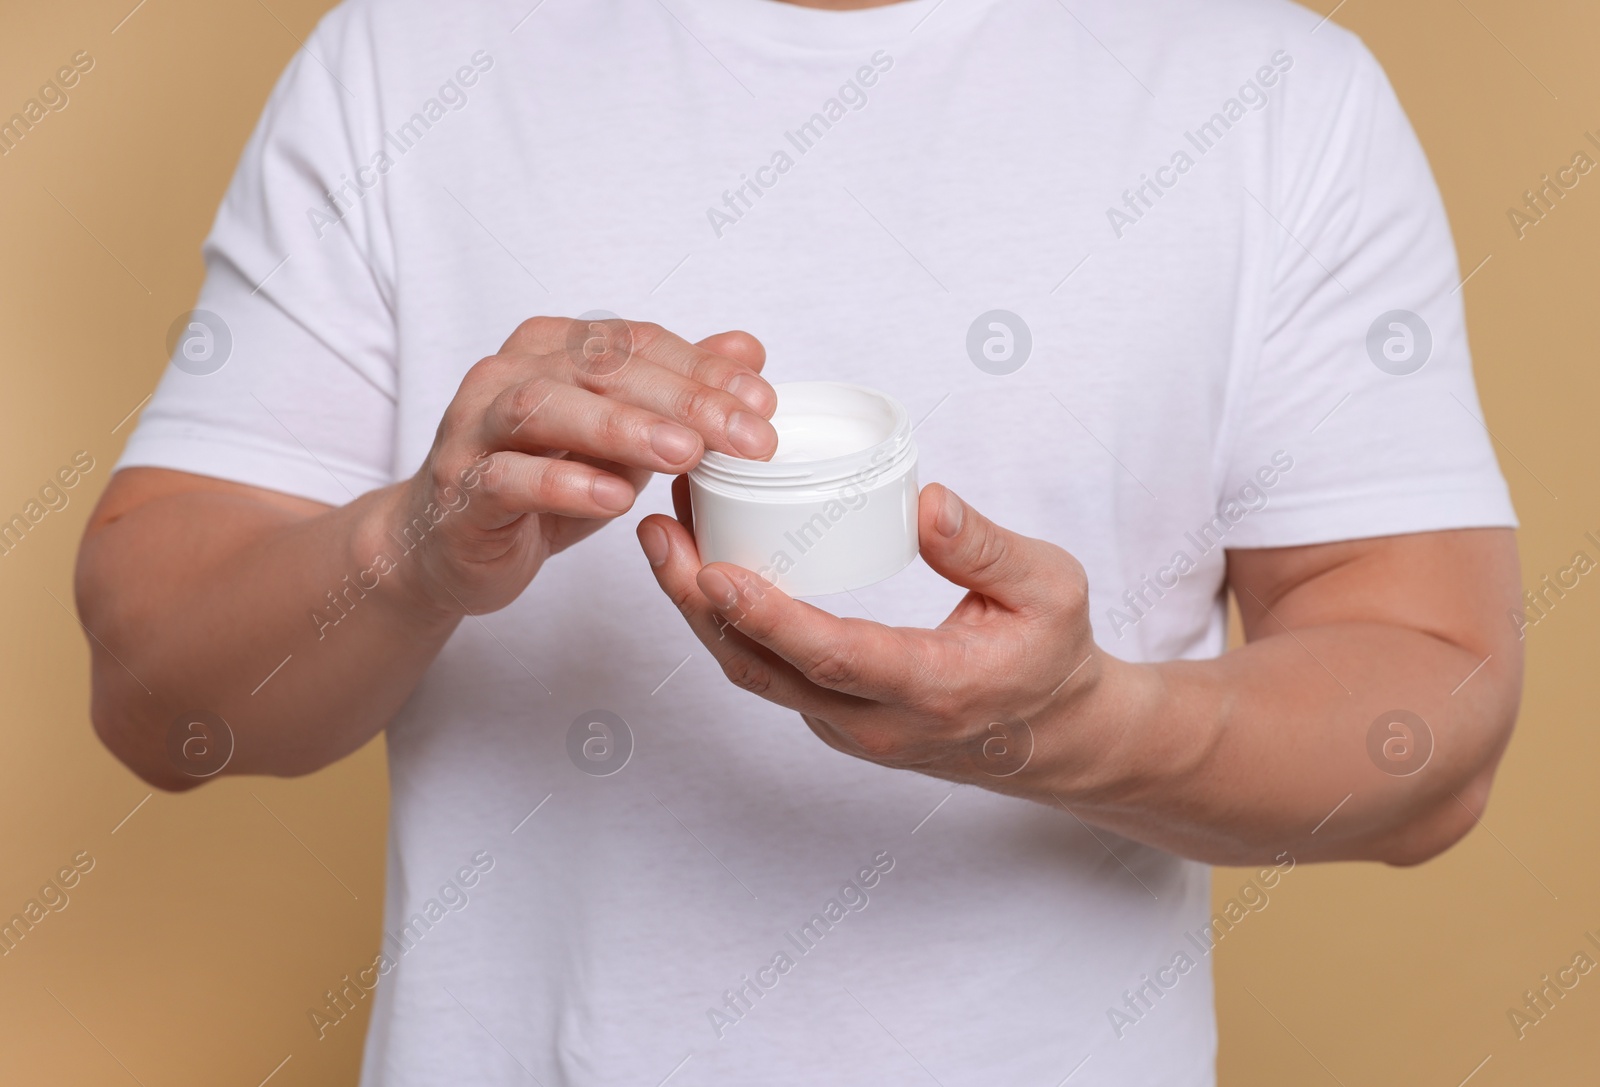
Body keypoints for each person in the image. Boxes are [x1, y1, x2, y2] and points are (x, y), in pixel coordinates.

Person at [76, 0, 1522, 1083]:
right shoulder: (407, 54)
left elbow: (1432, 742)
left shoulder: (1273, 94)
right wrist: (415, 548)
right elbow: (157, 695)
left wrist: (1075, 724)